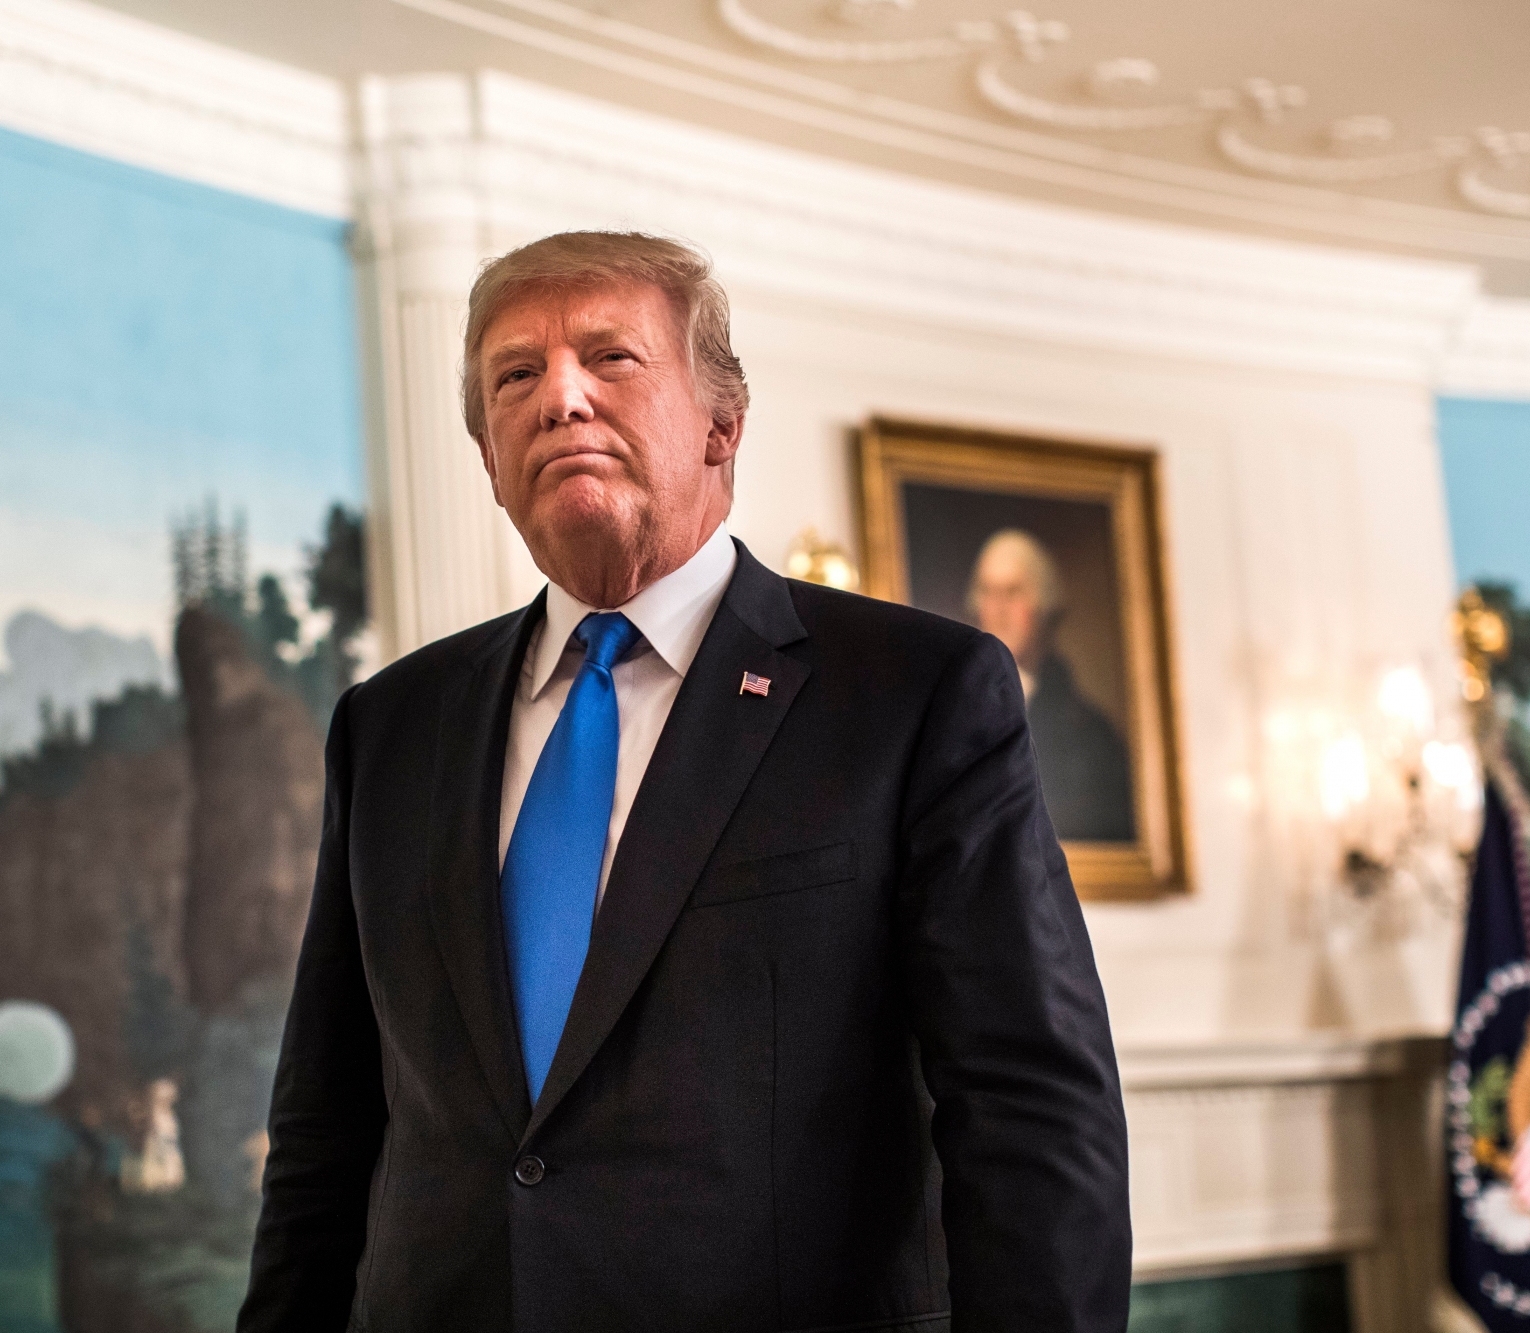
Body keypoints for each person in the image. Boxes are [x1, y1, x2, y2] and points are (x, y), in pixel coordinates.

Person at [238, 232, 1130, 1333]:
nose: (559, 395)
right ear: (487, 457)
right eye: (514, 374)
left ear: (721, 425)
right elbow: (327, 1130)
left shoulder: (913, 694)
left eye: (609, 358)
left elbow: (1029, 1105)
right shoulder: (388, 726)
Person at [968, 530, 1137, 843]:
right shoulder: (955, 715)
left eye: (1013, 592)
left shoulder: (1092, 735)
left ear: (1043, 606)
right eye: (988, 592)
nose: (999, 608)